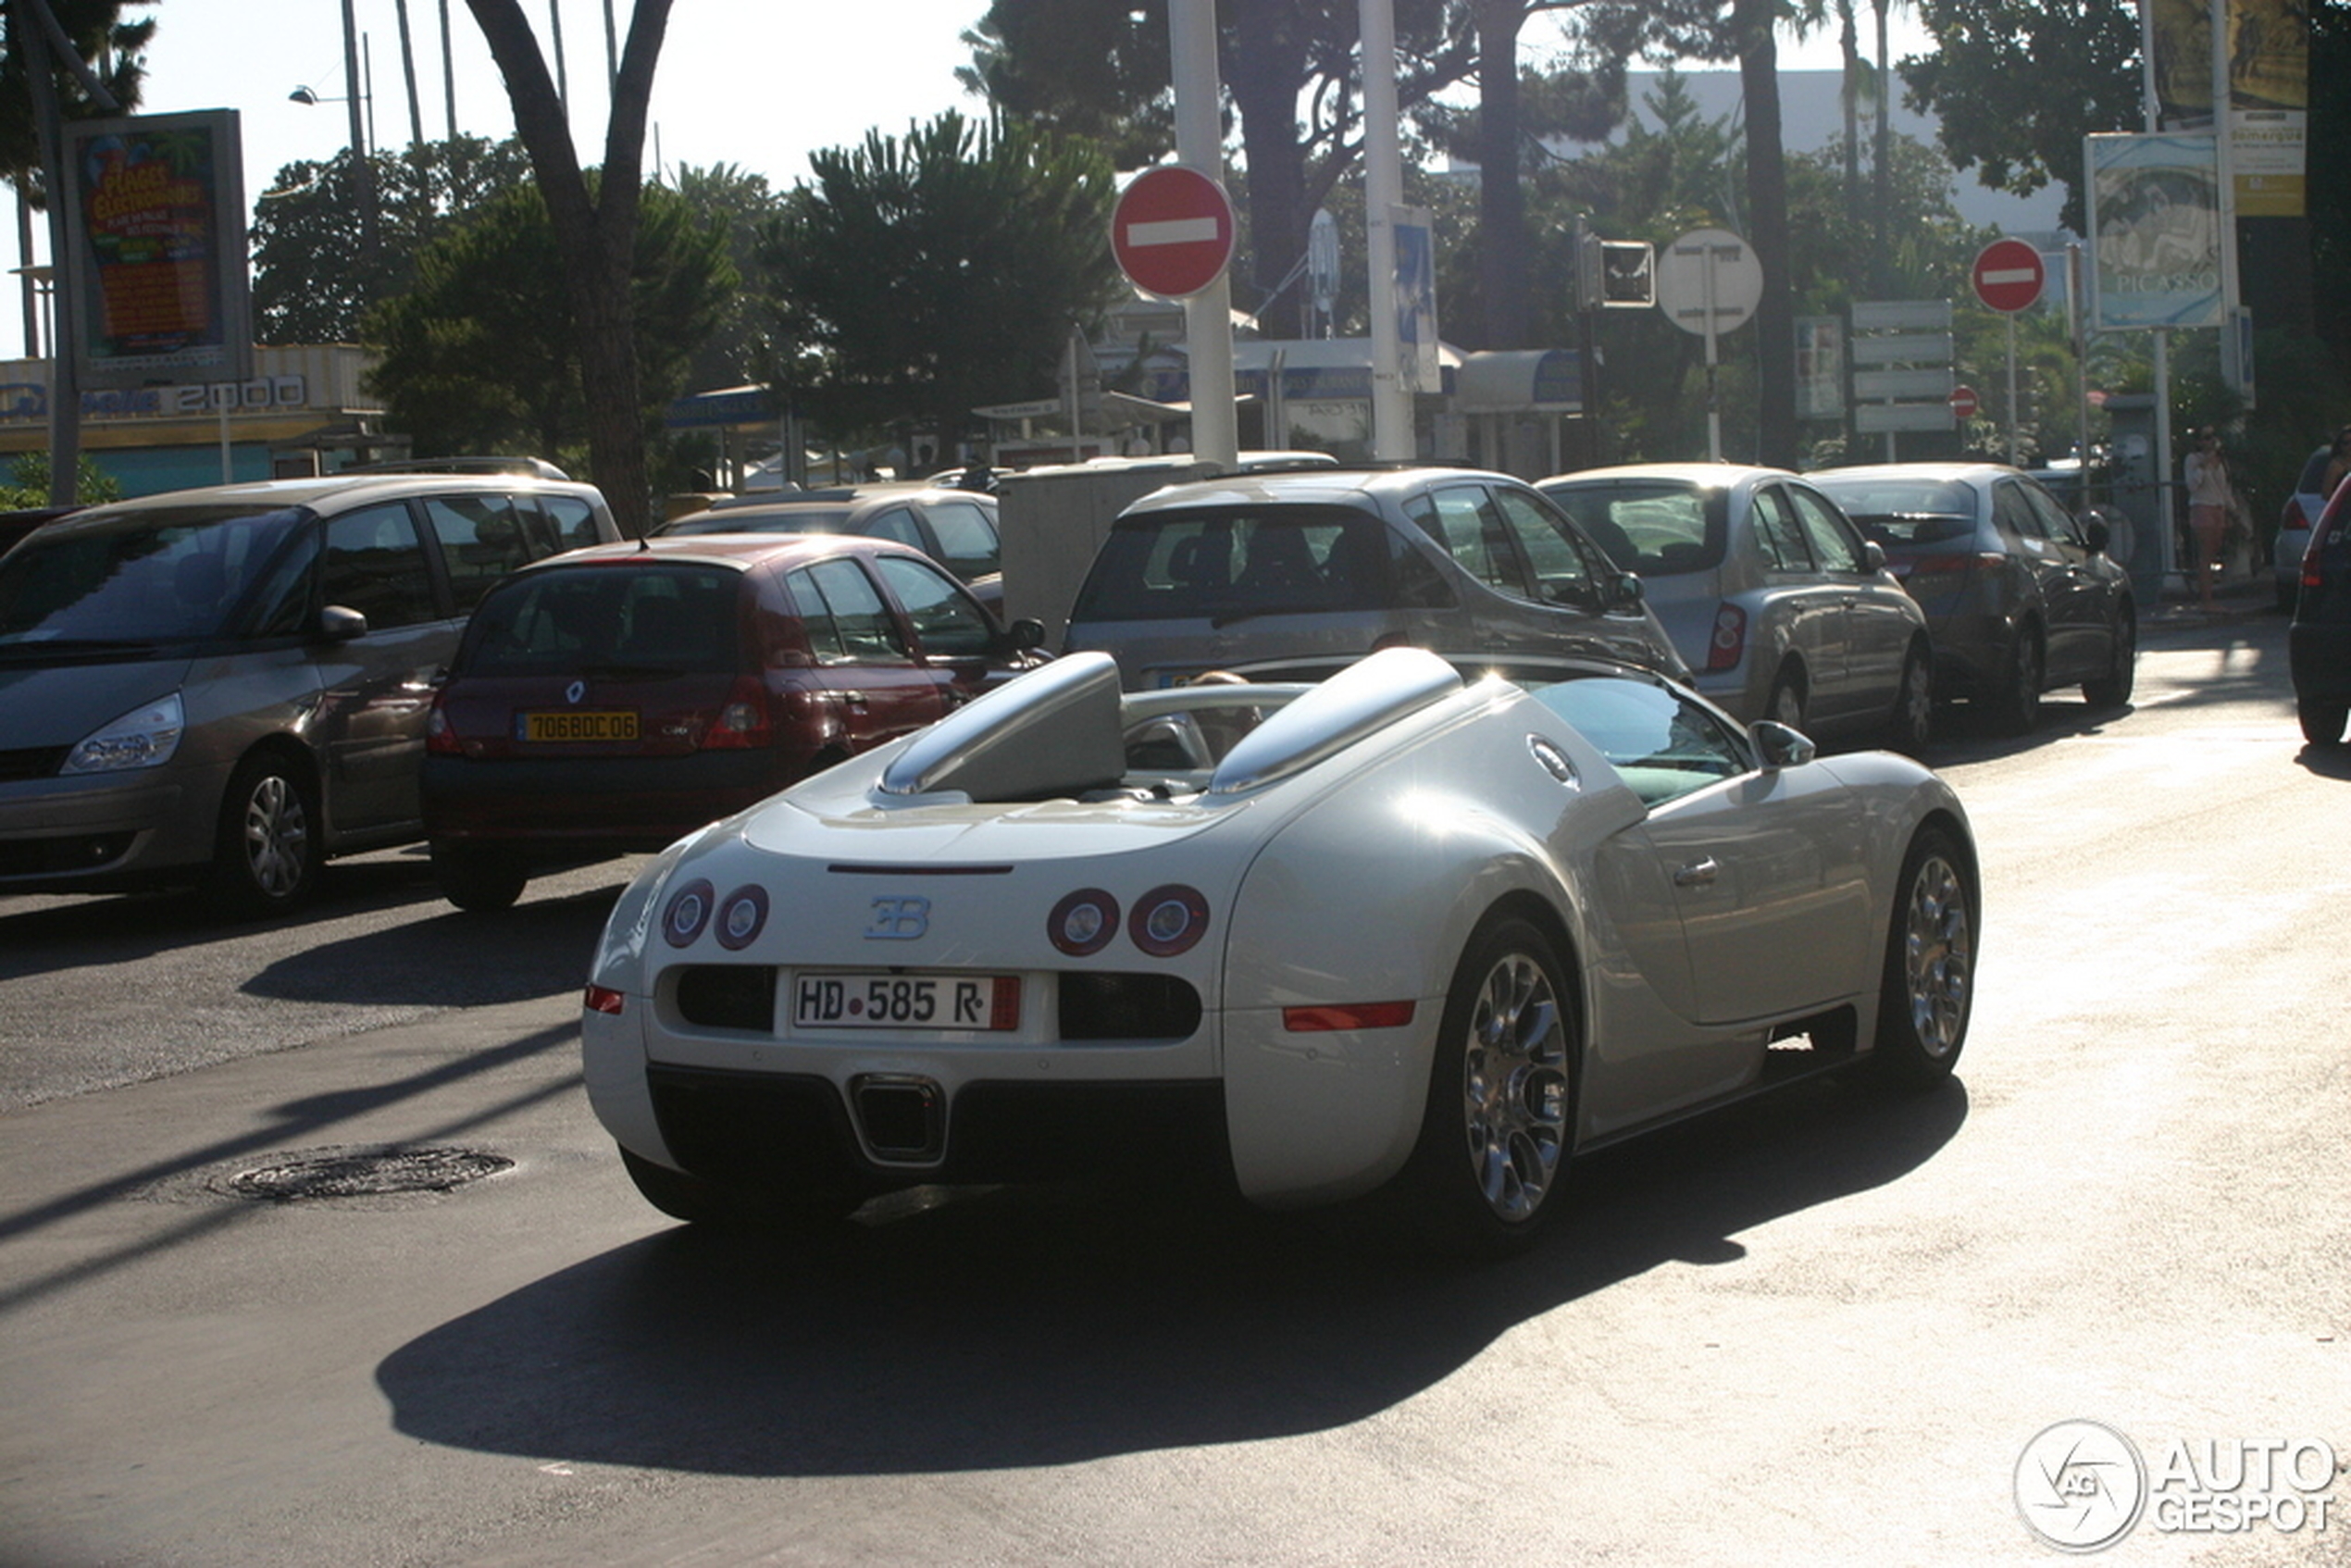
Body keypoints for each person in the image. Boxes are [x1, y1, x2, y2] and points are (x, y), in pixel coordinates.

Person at [2183, 429, 2233, 608]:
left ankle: (2210, 596)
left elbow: (2224, 488)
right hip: (2202, 506)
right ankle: (2206, 600)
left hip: (2218, 508)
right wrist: (2204, 466)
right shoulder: (2193, 460)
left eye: (2212, 437)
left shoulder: (2221, 461)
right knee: (2205, 555)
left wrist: (2231, 510)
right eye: (2205, 438)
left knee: (2214, 553)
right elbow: (2192, 485)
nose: (2210, 442)